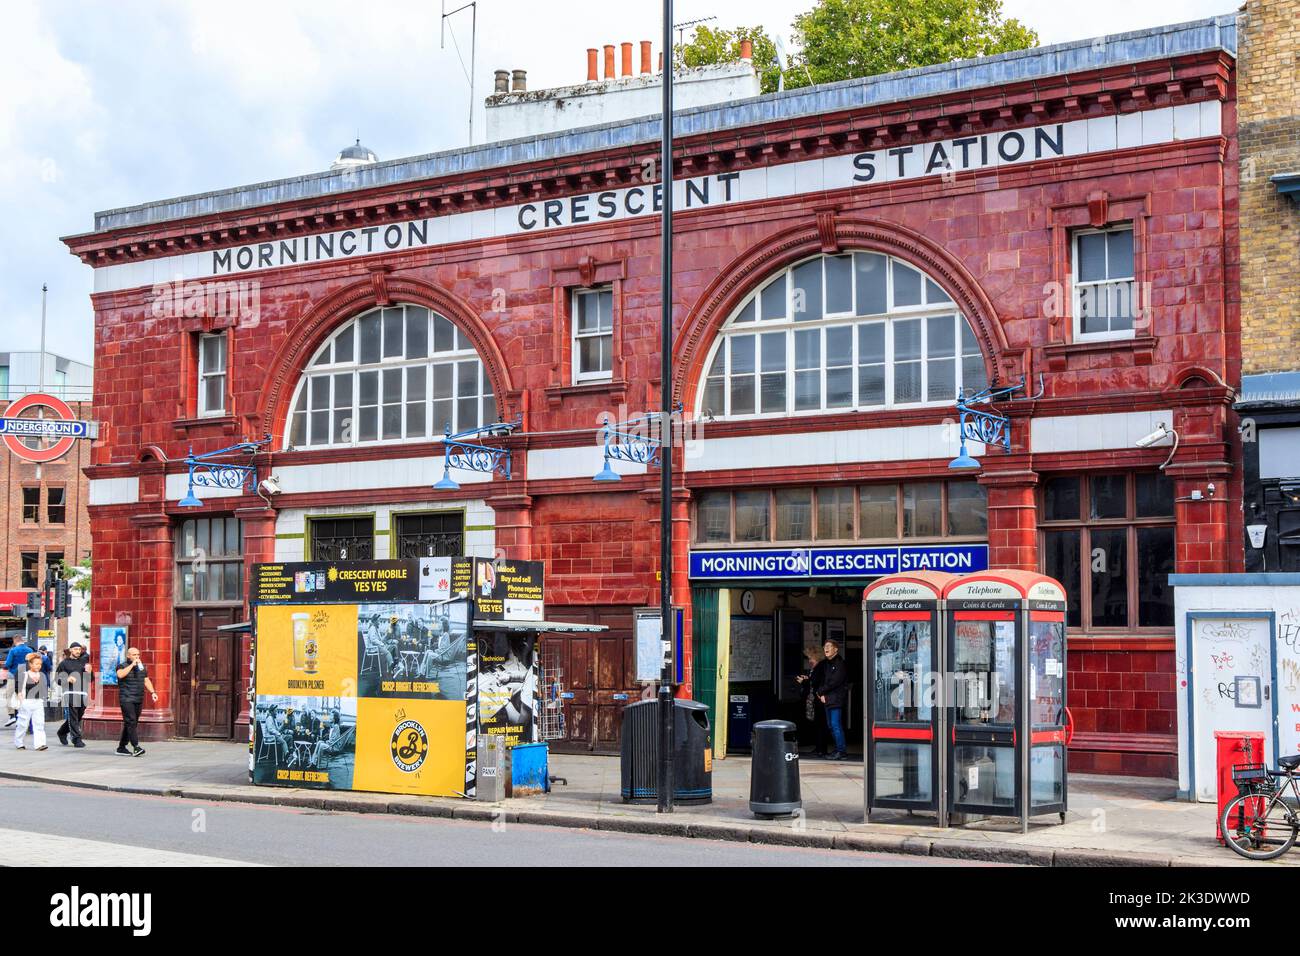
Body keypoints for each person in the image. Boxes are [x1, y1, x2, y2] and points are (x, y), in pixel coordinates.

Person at [807, 640, 849, 760]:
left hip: (836, 699)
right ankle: (838, 749)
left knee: (836, 725)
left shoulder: (840, 664)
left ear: (836, 649)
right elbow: (821, 680)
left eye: (829, 646)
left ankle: (842, 751)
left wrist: (821, 692)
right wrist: (821, 694)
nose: (826, 648)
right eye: (825, 646)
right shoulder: (825, 663)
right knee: (831, 725)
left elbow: (834, 682)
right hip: (826, 699)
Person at [114, 647, 158, 757]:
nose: (137, 657)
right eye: (134, 655)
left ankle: (121, 747)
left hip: (138, 698)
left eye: (138, 654)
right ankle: (136, 747)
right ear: (128, 656)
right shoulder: (122, 666)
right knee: (131, 721)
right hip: (126, 698)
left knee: (131, 723)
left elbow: (146, 680)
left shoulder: (142, 668)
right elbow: (120, 675)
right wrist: (132, 665)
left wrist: (153, 692)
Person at [56, 643, 92, 747]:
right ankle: (76, 739)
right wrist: (66, 679)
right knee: (73, 716)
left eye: (79, 649)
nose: (78, 651)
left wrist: (89, 672)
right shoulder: (64, 663)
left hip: (82, 692)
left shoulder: (84, 662)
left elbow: (90, 679)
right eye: (75, 649)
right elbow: (57, 679)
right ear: (71, 650)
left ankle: (62, 732)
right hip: (70, 692)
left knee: (78, 717)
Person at [13, 653, 50, 750]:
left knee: (39, 724)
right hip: (26, 702)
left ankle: (40, 744)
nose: (39, 666)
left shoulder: (42, 675)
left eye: (40, 664)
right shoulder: (24, 675)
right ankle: (19, 742)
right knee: (23, 724)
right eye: (36, 664)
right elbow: (19, 689)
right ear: (30, 664)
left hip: (38, 702)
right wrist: (22, 701)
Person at [2, 637, 40, 729]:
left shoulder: (13, 650)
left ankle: (12, 716)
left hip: (13, 675)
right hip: (26, 675)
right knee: (23, 696)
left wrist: (6, 666)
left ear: (15, 641)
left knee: (10, 696)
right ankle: (24, 718)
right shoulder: (30, 650)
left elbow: (8, 664)